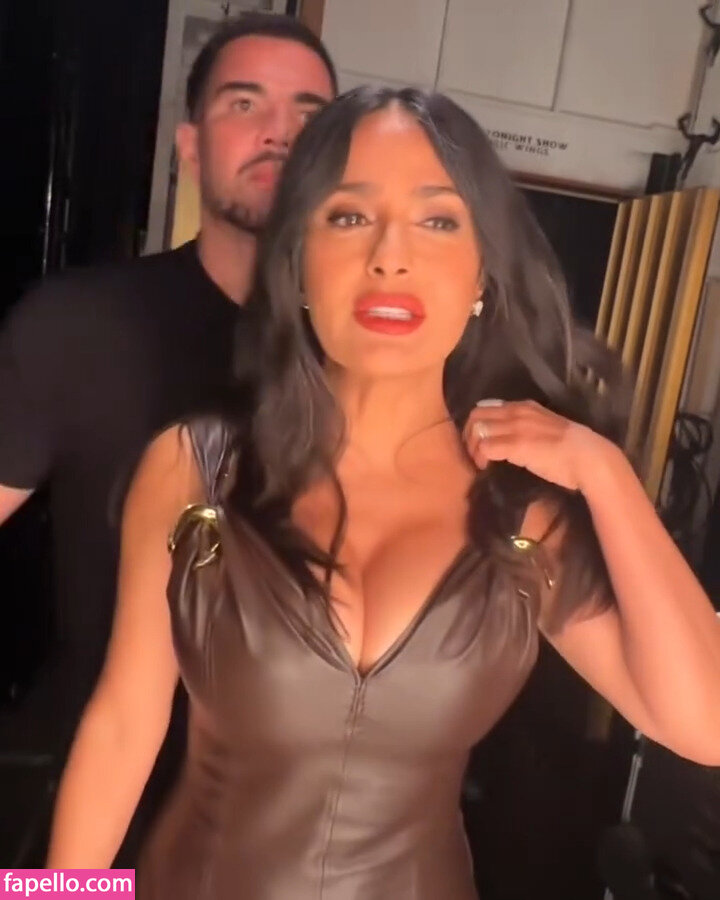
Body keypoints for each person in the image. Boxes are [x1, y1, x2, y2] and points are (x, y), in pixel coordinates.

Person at [47, 87, 720, 897]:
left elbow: (706, 726)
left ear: (483, 274)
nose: (390, 256)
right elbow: (122, 727)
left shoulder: (524, 517)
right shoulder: (198, 468)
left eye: (437, 220)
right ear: (297, 260)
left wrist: (606, 475)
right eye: (349, 216)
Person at [0, 11, 336, 863]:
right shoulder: (75, 326)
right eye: (245, 104)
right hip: (93, 819)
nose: (279, 133)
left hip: (295, 845)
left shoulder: (373, 369)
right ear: (189, 146)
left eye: (308, 114)